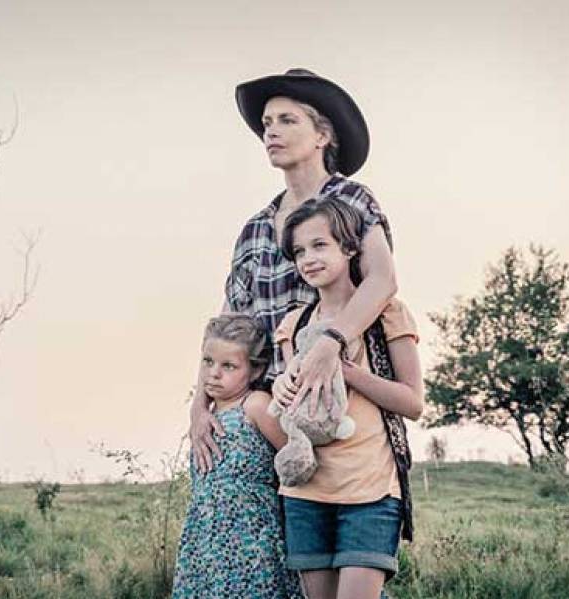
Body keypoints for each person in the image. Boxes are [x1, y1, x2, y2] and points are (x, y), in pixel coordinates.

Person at [190, 68, 415, 542]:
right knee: (267, 548)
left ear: (322, 135)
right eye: (266, 123)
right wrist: (200, 404)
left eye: (287, 120)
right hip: (267, 410)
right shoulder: (255, 228)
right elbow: (227, 328)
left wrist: (330, 344)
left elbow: (382, 279)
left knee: (348, 540)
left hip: (337, 403)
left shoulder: (351, 200)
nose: (270, 131)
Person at [273, 197, 423, 599]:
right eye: (299, 252)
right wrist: (283, 388)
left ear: (350, 248)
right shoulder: (294, 324)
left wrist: (347, 371)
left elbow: (413, 403)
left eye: (320, 245)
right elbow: (295, 405)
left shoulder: (388, 314)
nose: (308, 259)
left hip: (370, 492)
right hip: (305, 494)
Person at [172, 313, 303, 599]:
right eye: (208, 362)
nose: (214, 373)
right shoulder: (205, 417)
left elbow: (298, 458)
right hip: (204, 540)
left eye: (228, 366)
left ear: (255, 371)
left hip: (251, 540)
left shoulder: (255, 405)